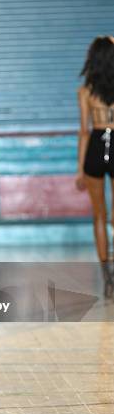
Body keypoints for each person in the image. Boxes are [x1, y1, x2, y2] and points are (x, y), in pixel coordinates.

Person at [76, 35, 114, 299]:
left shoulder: (86, 91)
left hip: (96, 148)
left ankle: (106, 276)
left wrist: (80, 169)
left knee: (99, 216)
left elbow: (84, 132)